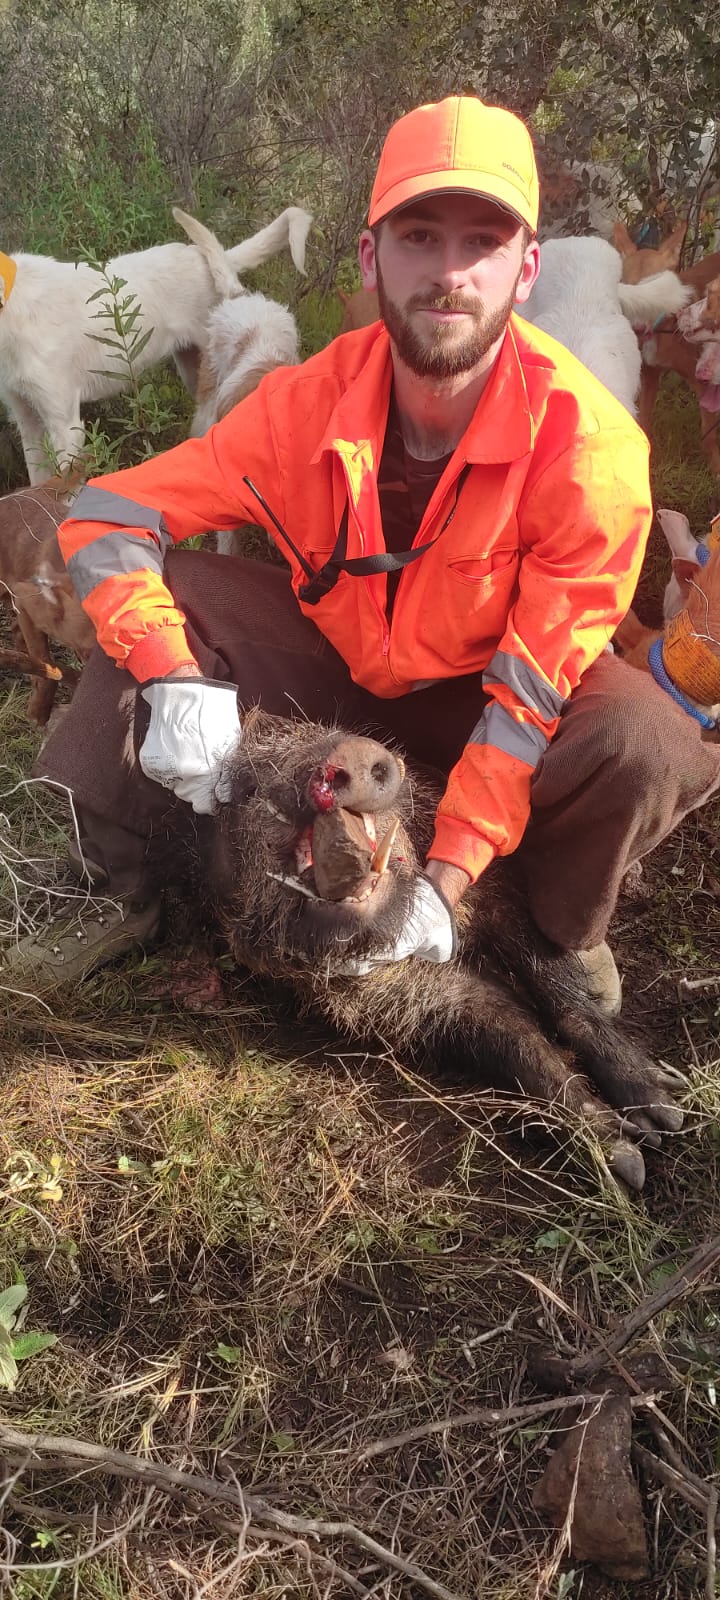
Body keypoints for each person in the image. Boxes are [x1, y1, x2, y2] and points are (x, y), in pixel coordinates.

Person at [5, 95, 720, 1003]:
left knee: (646, 737)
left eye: (483, 243)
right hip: (336, 669)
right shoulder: (306, 402)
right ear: (370, 256)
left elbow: (531, 694)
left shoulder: (593, 452)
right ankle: (120, 886)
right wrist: (172, 674)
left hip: (485, 700)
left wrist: (448, 880)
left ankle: (554, 929)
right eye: (419, 236)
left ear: (527, 267)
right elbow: (110, 511)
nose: (449, 272)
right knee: (155, 594)